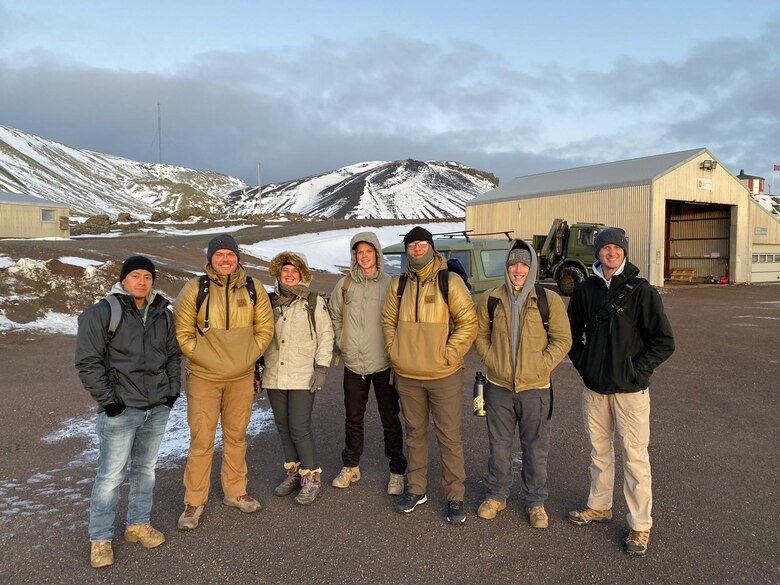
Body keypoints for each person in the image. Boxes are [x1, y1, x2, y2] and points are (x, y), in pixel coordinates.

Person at [567, 227, 675, 556]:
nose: (611, 252)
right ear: (597, 253)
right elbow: (571, 337)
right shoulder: (585, 290)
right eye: (605, 248)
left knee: (635, 458)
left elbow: (664, 342)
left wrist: (636, 372)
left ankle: (640, 525)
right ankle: (599, 506)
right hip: (595, 390)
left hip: (630, 392)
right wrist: (587, 368)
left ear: (624, 251)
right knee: (599, 453)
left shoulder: (642, 291)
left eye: (616, 247)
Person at [75, 255, 180, 568]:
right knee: (110, 476)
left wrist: (172, 391)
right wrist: (109, 401)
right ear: (123, 280)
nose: (142, 282)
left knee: (145, 470)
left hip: (157, 406)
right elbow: (87, 362)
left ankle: (138, 524)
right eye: (135, 276)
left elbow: (173, 355)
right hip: (120, 410)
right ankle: (100, 539)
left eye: (147, 277)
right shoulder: (102, 313)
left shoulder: (163, 313)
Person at [174, 234, 274, 530]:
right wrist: (206, 357)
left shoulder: (254, 289)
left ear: (238, 258)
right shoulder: (194, 289)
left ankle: (235, 491)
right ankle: (194, 501)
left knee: (236, 437)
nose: (225, 260)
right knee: (201, 441)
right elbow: (182, 332)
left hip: (241, 378)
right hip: (204, 377)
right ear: (210, 259)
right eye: (219, 255)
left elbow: (265, 329)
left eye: (230, 255)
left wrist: (246, 357)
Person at [381, 226, 477, 524]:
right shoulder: (399, 285)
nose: (417, 249)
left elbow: (468, 323)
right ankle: (417, 488)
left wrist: (448, 354)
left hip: (443, 375)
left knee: (448, 436)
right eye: (412, 245)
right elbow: (387, 321)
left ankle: (455, 497)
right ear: (406, 250)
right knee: (415, 434)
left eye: (422, 244)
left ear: (431, 247)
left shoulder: (450, 281)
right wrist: (395, 352)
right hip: (408, 374)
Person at [474, 241, 571, 528]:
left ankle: (535, 502)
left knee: (535, 448)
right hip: (498, 387)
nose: (518, 269)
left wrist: (541, 366)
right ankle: (496, 495)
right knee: (499, 447)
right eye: (513, 264)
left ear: (532, 268)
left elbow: (563, 339)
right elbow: (480, 334)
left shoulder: (548, 300)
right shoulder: (491, 299)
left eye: (524, 264)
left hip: (536, 389)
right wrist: (492, 359)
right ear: (506, 267)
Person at [328, 232, 407, 495]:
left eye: (368, 251)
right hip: (353, 363)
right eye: (359, 252)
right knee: (353, 417)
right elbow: (335, 316)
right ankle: (351, 465)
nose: (364, 256)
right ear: (354, 256)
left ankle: (397, 470)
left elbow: (399, 319)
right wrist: (342, 341)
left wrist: (393, 349)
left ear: (377, 254)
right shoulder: (344, 285)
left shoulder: (390, 284)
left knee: (390, 418)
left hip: (383, 362)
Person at [263, 251, 334, 505]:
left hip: (303, 374)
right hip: (274, 374)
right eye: (285, 271)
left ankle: (312, 477)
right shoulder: (270, 301)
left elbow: (326, 335)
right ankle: (293, 474)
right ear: (279, 274)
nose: (289, 275)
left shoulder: (313, 302)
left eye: (294, 271)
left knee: (300, 428)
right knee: (283, 428)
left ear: (303, 275)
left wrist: (322, 368)